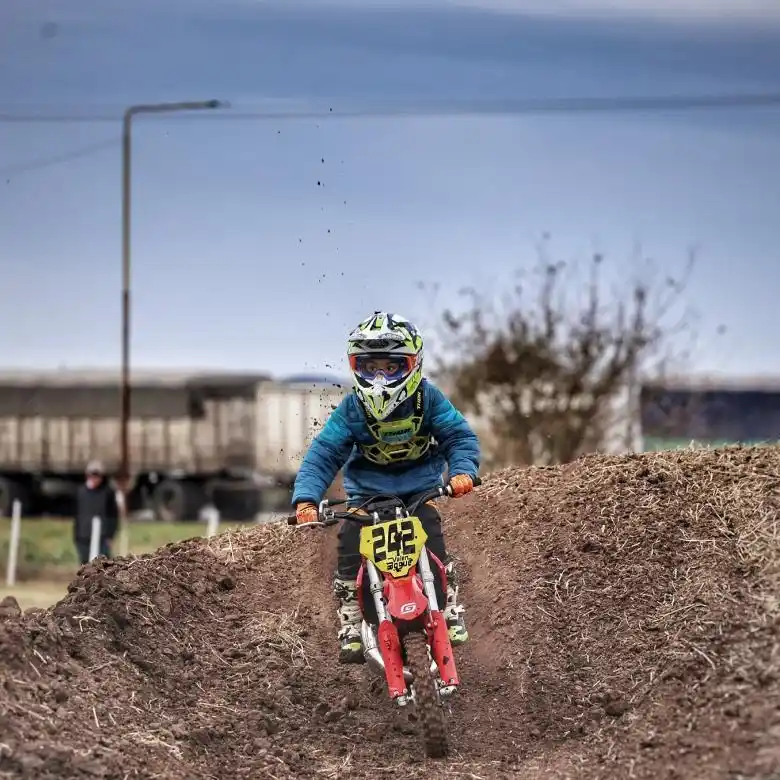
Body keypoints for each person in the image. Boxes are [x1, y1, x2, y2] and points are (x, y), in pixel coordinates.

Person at [292, 311, 481, 664]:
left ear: (413, 364)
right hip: (367, 492)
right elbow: (324, 453)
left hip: (418, 489)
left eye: (391, 368)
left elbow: (458, 437)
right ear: (355, 367)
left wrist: (463, 472)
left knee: (430, 528)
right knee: (350, 536)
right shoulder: (352, 409)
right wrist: (306, 499)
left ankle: (448, 605)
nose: (380, 379)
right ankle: (351, 617)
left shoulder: (428, 399)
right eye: (370, 368)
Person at [74, 460, 119, 565]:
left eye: (98, 476)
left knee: (103, 565)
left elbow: (113, 515)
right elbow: (77, 515)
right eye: (92, 475)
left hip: (102, 537)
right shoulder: (81, 492)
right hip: (84, 536)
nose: (95, 479)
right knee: (85, 565)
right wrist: (76, 536)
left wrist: (110, 535)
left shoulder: (107, 492)